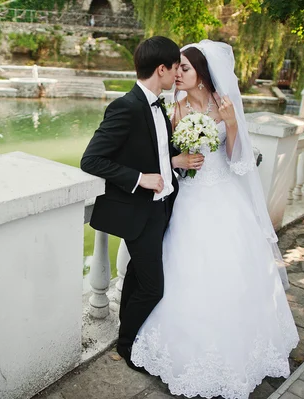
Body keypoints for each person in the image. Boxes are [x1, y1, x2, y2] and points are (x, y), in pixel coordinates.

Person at [130, 40, 299, 398]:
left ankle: (240, 353)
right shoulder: (171, 108)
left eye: (185, 69)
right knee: (184, 270)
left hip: (224, 198)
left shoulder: (222, 104)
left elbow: (237, 162)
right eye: (176, 68)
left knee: (233, 271)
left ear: (201, 74)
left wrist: (231, 124)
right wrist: (179, 162)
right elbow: (163, 157)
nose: (178, 74)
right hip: (189, 200)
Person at [80, 36, 204, 371]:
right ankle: (127, 346)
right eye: (175, 68)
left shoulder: (158, 103)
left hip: (162, 207)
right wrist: (140, 178)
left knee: (136, 275)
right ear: (161, 69)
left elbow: (157, 151)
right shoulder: (127, 106)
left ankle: (127, 339)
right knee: (153, 288)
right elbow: (91, 160)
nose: (178, 74)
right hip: (139, 210)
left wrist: (175, 163)